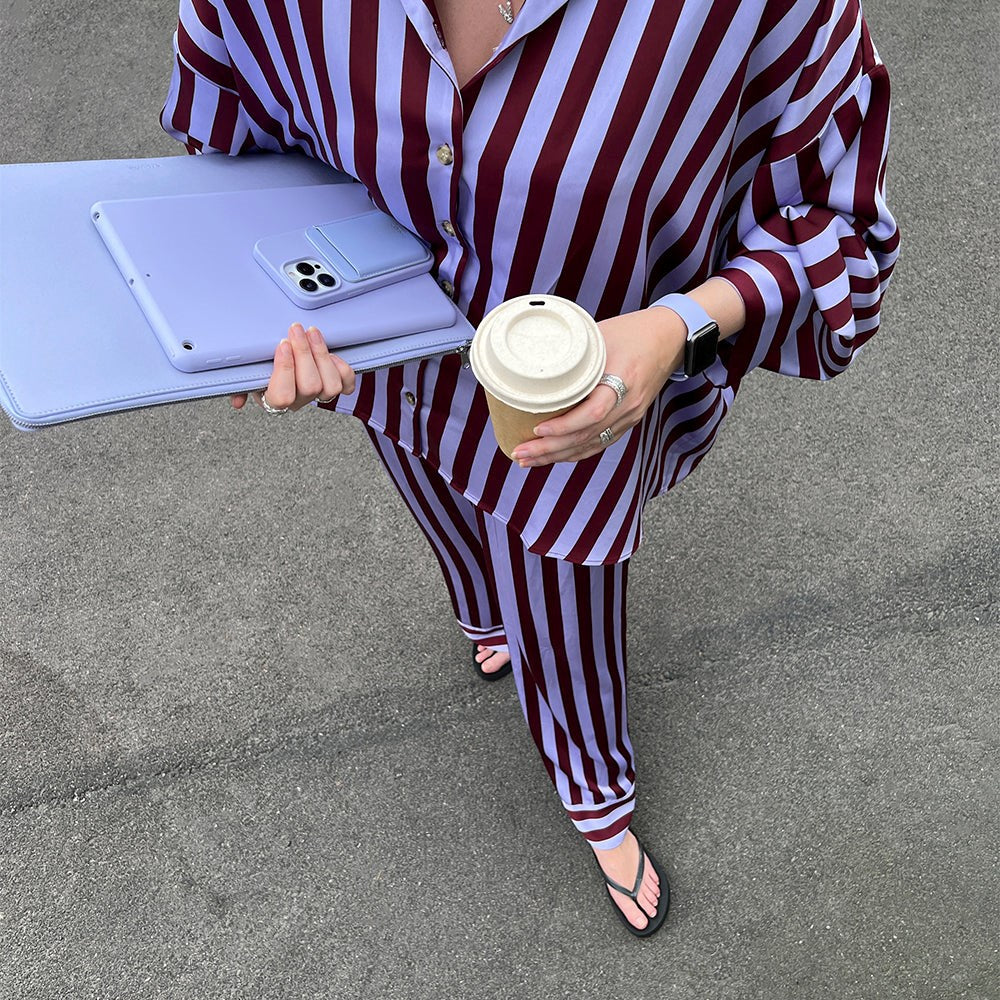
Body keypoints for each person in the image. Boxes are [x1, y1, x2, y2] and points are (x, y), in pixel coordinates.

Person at [160, 0, 900, 937]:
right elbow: (231, 126)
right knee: (434, 489)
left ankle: (597, 797)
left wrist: (680, 324)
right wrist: (249, 313)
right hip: (390, 359)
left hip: (574, 397)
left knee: (568, 597)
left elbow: (841, 226)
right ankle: (481, 613)